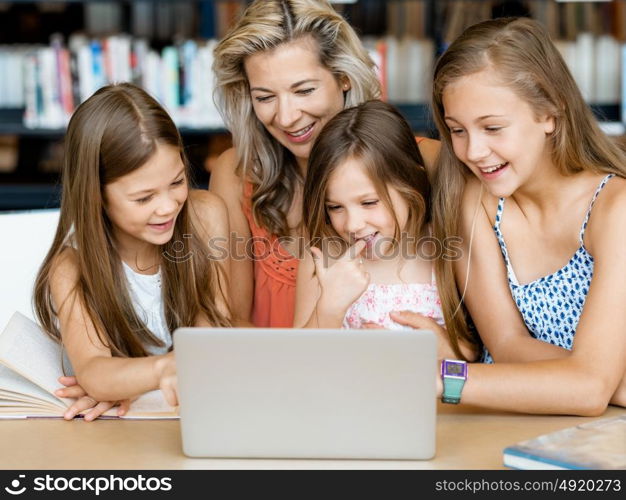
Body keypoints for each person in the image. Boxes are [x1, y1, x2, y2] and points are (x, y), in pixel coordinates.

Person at [395, 17, 626, 415]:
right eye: (458, 130)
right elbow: (504, 345)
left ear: (551, 113)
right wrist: (596, 380)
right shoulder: (478, 201)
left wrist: (441, 376)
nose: (474, 151)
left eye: (492, 127)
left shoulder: (614, 209)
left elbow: (587, 393)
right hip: (505, 418)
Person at [209, 0, 440, 327]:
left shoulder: (426, 161)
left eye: (303, 90)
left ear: (344, 77)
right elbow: (233, 322)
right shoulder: (236, 173)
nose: (287, 117)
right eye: (264, 97)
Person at [33, 83, 231, 421]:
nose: (168, 206)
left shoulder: (204, 215)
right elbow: (94, 370)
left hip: (196, 414)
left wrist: (125, 382)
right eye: (144, 198)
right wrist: (162, 370)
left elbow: (213, 329)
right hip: (122, 428)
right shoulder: (72, 266)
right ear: (96, 195)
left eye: (177, 182)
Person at [294, 100, 476, 360]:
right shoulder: (326, 258)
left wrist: (444, 349)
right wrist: (330, 306)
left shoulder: (446, 247)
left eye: (369, 202)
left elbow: (477, 353)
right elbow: (299, 362)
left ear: (411, 182)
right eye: (335, 207)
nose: (353, 224)